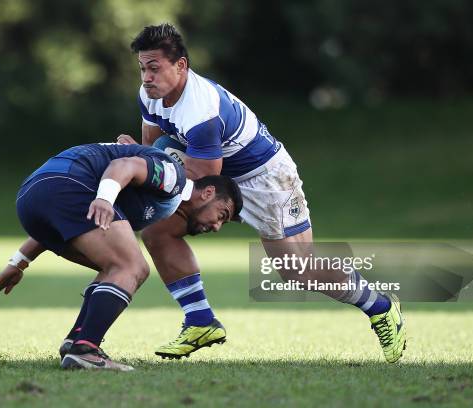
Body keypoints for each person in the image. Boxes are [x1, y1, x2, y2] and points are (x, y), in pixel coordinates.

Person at [117, 23, 406, 363]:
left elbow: (206, 187)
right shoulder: (150, 95)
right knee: (156, 230)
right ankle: (200, 321)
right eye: (142, 68)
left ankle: (380, 306)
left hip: (265, 180)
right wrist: (141, 156)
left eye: (155, 68)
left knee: (297, 269)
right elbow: (153, 147)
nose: (147, 77)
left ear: (181, 66)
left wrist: (143, 167)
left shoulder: (201, 113)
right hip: (215, 175)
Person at [0, 142, 243, 371]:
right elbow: (125, 164)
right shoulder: (176, 179)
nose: (217, 227)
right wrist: (105, 199)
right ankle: (86, 351)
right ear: (207, 193)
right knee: (132, 267)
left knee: (114, 266)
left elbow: (65, 213)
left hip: (32, 196)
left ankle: (76, 341)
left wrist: (19, 262)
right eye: (221, 214)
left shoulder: (157, 201)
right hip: (66, 186)